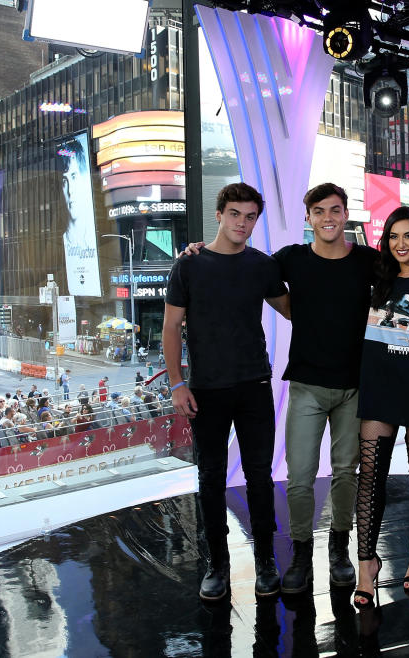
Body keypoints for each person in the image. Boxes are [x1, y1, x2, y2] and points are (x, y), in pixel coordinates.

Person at [164, 182, 290, 602]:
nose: (243, 222)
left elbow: (297, 310)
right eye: (235, 213)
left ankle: (267, 561)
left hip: (254, 384)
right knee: (211, 479)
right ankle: (216, 565)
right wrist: (176, 382)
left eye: (251, 216)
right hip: (205, 389)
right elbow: (169, 329)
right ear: (219, 214)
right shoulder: (189, 265)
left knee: (260, 477)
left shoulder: (261, 265)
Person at [272, 183, 377, 594]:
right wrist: (199, 248)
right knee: (299, 476)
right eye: (319, 211)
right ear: (308, 218)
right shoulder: (292, 259)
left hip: (354, 385)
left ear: (346, 213)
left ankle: (339, 548)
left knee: (347, 473)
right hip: (307, 386)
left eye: (335, 209)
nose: (328, 217)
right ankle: (300, 552)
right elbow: (250, 270)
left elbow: (408, 278)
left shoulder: (368, 260)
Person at [352, 207, 409, 609]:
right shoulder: (378, 275)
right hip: (378, 389)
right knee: (369, 476)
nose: (400, 244)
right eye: (393, 236)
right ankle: (366, 565)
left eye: (408, 236)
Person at [57, 133, 102, 297]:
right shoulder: (60, 243)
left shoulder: (99, 238)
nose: (70, 190)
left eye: (74, 176)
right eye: (64, 181)